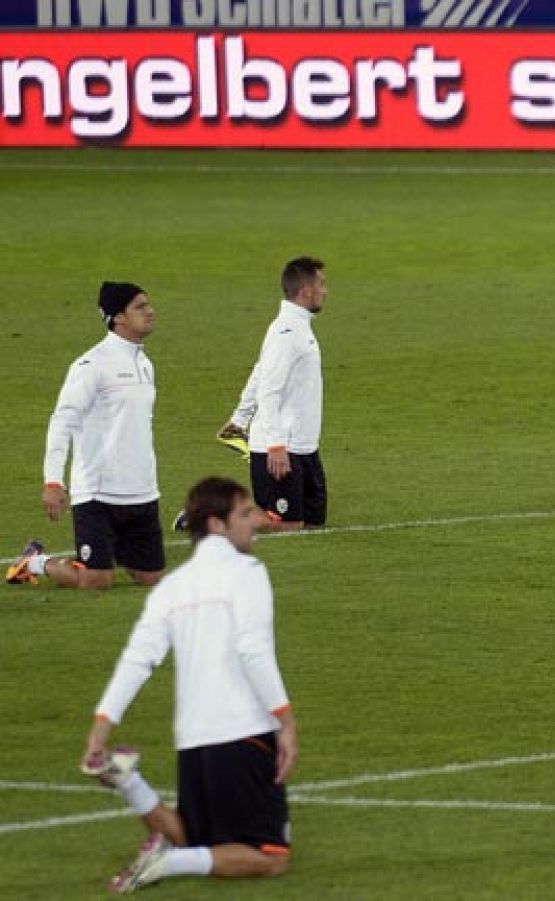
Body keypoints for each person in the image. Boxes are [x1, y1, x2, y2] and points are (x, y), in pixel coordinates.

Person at [81, 476, 297, 894]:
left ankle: (129, 782)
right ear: (217, 524)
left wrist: (100, 730)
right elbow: (253, 649)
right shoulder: (247, 571)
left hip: (193, 739)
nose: (255, 521)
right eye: (245, 513)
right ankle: (169, 860)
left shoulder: (173, 586)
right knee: (271, 857)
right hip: (243, 732)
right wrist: (285, 720)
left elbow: (136, 660)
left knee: (199, 838)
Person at [6, 282, 165, 590]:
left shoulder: (145, 364)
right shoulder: (91, 365)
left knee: (152, 579)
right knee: (96, 580)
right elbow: (62, 421)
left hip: (142, 490)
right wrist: (53, 482)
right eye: (140, 307)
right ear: (118, 317)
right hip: (97, 492)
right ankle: (34, 561)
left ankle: (113, 551)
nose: (150, 311)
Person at [244, 257, 328, 532]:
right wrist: (276, 445)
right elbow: (268, 389)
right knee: (288, 526)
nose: (325, 291)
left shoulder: (300, 327)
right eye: (322, 285)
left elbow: (258, 372)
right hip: (282, 447)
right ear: (306, 290)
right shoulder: (286, 332)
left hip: (305, 446)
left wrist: (238, 414)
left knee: (313, 523)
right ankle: (211, 517)